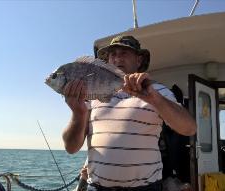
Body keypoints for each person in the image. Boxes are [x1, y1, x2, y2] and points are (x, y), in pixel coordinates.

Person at [62, 35, 197, 191]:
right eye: (113, 54)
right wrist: (78, 114)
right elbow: (71, 148)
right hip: (97, 187)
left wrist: (155, 99)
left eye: (124, 53)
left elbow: (189, 128)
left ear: (138, 60)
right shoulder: (92, 94)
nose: (117, 58)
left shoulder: (157, 91)